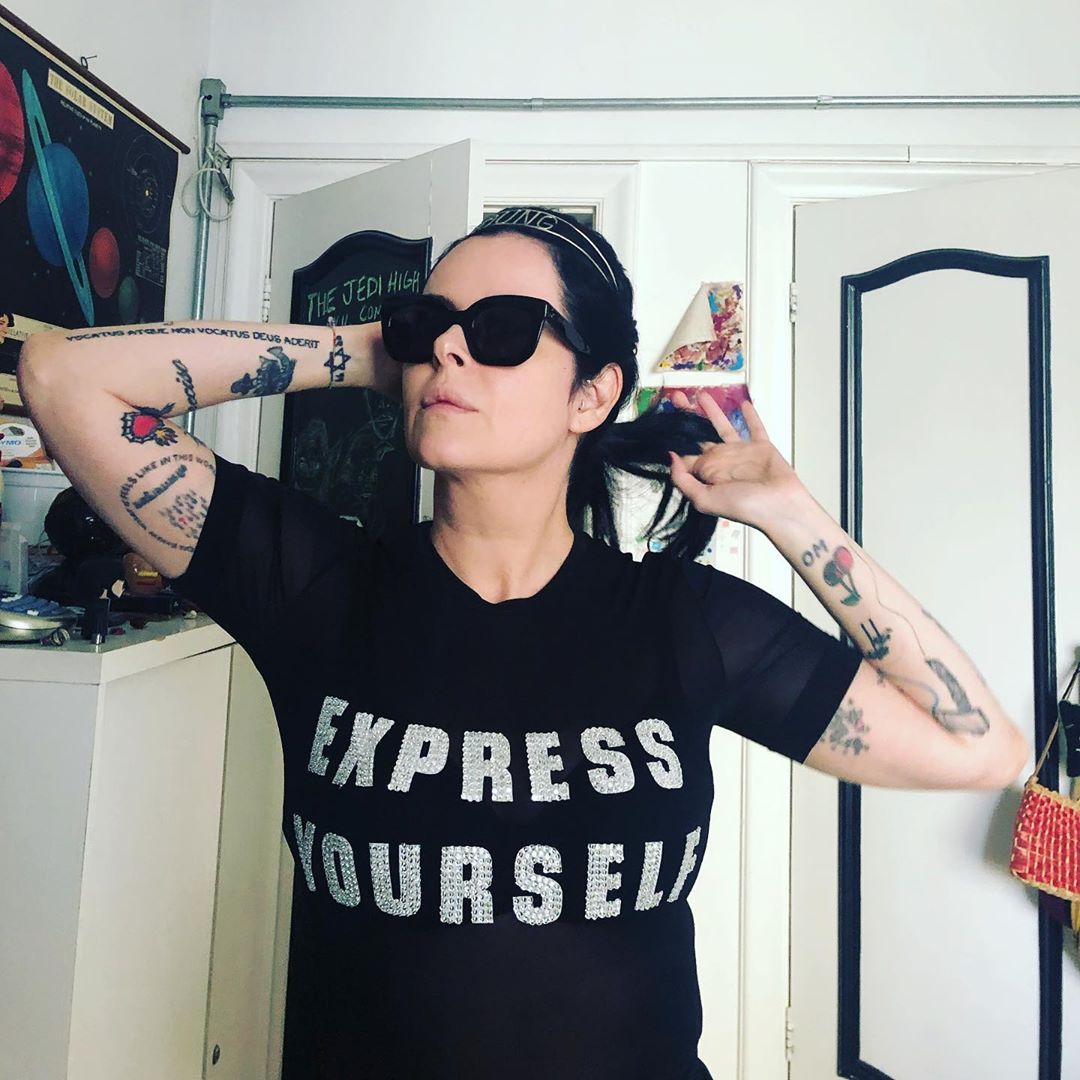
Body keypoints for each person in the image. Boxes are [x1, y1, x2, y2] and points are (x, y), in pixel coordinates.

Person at [16, 206, 1029, 1080]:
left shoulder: (686, 621)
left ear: (593, 393)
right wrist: (377, 350)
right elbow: (60, 375)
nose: (449, 352)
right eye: (430, 326)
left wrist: (787, 508)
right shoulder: (318, 587)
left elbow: (978, 746)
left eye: (502, 329)